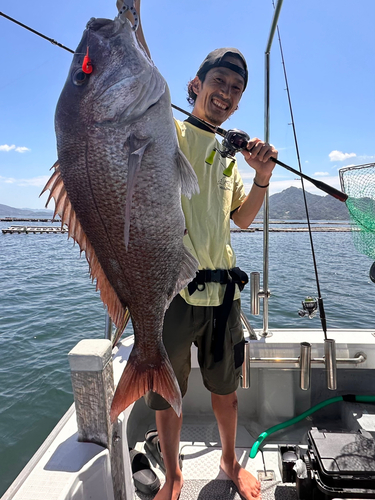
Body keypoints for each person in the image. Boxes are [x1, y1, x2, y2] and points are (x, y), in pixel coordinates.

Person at [121, 2, 278, 499]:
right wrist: (133, 21)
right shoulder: (169, 132)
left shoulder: (231, 155)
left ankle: (230, 462)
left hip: (223, 299)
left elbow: (243, 219)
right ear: (196, 85)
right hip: (172, 295)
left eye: (236, 90)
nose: (227, 94)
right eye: (220, 82)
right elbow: (145, 80)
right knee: (166, 395)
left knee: (226, 392)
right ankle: (174, 474)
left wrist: (262, 176)